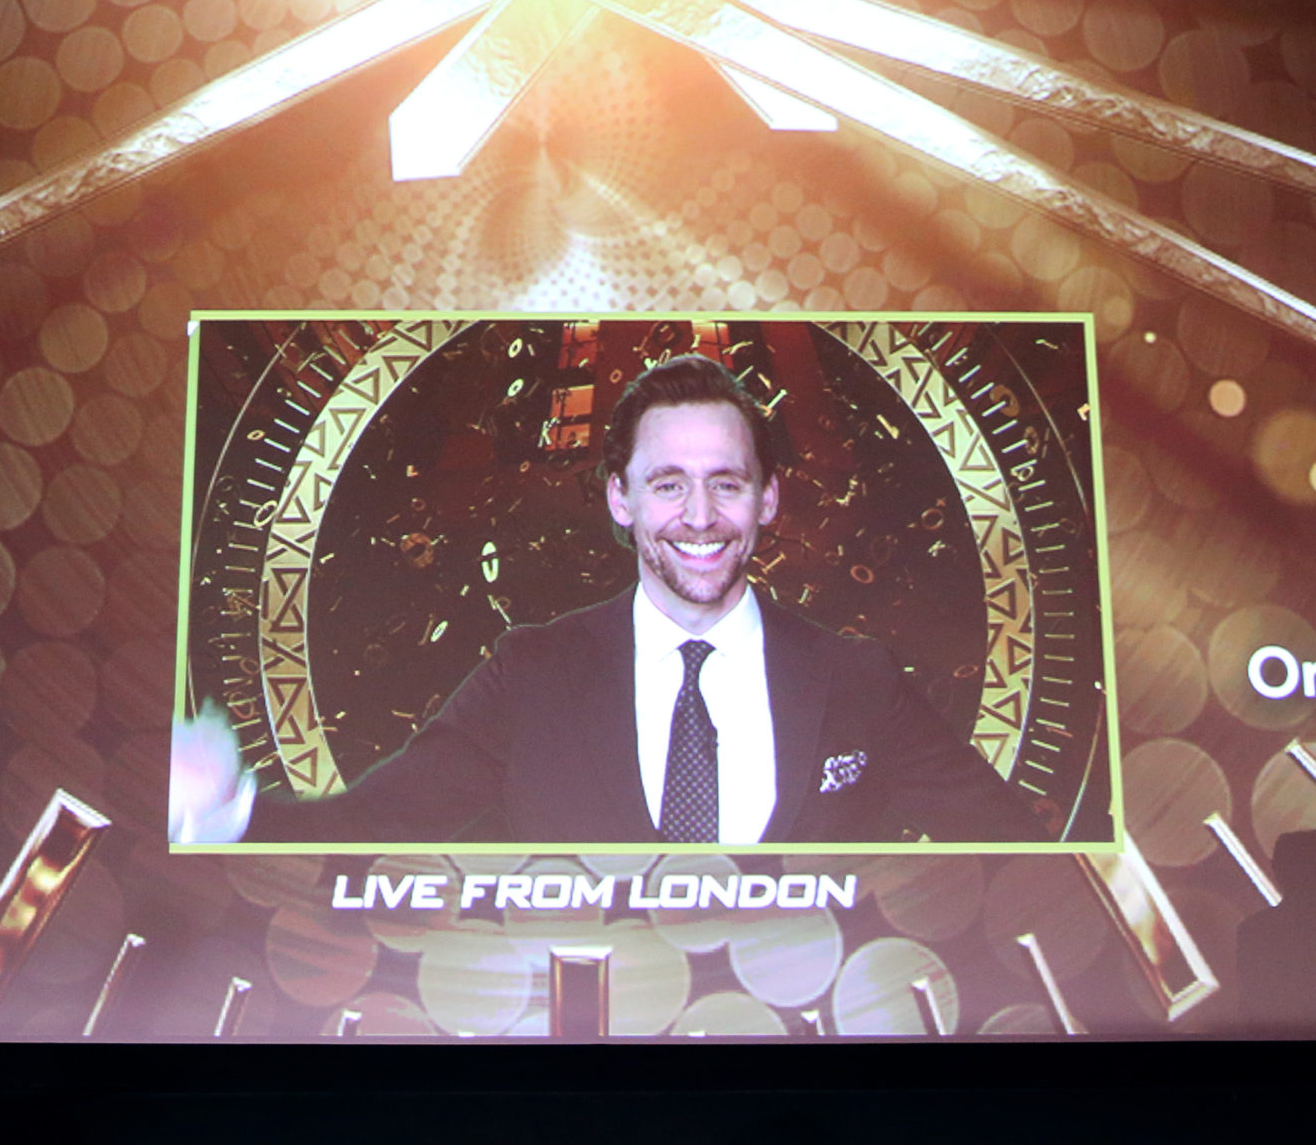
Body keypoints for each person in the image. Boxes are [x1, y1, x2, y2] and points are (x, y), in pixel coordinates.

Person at [171, 354, 1043, 845]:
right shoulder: (530, 671)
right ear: (620, 499)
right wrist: (229, 816)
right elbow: (379, 823)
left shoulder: (857, 679)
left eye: (726, 483)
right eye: (667, 485)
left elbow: (1019, 852)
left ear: (768, 499)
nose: (699, 517)